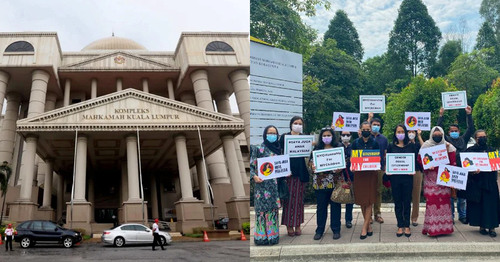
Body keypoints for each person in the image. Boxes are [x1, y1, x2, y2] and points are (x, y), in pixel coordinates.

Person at [437, 106, 474, 224]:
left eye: (455, 131)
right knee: (450, 194)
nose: (454, 132)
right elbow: (439, 130)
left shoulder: (463, 139)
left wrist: (469, 114)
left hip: (462, 170)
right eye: (451, 131)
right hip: (449, 169)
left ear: (459, 132)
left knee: (462, 195)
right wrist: (441, 116)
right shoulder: (446, 140)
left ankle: (462, 215)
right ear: (448, 132)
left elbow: (471, 129)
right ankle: (451, 216)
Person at [419, 126, 456, 236]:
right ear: (431, 135)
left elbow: (453, 163)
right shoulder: (426, 146)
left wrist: (447, 150)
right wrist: (426, 166)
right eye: (435, 135)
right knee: (432, 203)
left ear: (443, 135)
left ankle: (445, 229)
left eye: (439, 135)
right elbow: (420, 160)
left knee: (444, 203)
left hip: (444, 179)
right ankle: (432, 228)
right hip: (431, 179)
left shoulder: (449, 147)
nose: (437, 136)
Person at [462, 130, 500, 237]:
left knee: (491, 205)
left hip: (490, 183)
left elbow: (495, 167)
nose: (482, 138)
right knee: (479, 205)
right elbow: (466, 167)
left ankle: (492, 228)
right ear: (476, 139)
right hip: (477, 182)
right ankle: (482, 226)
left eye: (484, 136)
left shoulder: (491, 150)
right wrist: (473, 171)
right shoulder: (470, 151)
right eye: (480, 137)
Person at [309, 127, 343, 240]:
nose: (326, 138)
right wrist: (312, 166)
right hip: (320, 183)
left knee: (335, 206)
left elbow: (344, 161)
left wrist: (340, 168)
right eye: (324, 136)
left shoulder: (338, 147)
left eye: (329, 135)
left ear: (333, 136)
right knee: (321, 207)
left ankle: (336, 229)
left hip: (335, 182)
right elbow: (310, 163)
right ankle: (320, 229)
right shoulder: (317, 148)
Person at [250, 125, 282, 245]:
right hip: (262, 186)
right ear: (265, 134)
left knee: (272, 211)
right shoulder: (258, 148)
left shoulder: (279, 150)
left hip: (274, 187)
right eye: (269, 133)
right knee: (261, 211)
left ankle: (273, 236)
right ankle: (261, 237)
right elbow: (251, 165)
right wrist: (254, 176)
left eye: (274, 133)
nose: (272, 135)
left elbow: (282, 167)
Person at [387, 124, 419, 237]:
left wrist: (413, 169)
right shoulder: (391, 146)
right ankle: (400, 225)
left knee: (406, 201)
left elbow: (415, 160)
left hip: (407, 178)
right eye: (398, 132)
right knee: (398, 202)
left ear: (405, 133)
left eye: (402, 132)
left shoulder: (411, 146)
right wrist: (388, 170)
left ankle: (407, 225)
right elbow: (388, 160)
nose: (400, 134)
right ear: (395, 134)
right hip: (395, 178)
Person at [279, 116, 309, 236]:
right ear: (291, 124)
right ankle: (289, 225)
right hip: (288, 173)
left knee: (299, 200)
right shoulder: (284, 137)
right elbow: (280, 153)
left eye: (300, 124)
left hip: (300, 173)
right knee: (288, 200)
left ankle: (298, 225)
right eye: (295, 123)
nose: (298, 125)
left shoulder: (304, 138)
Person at [351, 121, 380, 239]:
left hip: (371, 174)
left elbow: (378, 158)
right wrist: (352, 165)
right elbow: (353, 157)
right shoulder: (355, 143)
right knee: (362, 201)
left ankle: (364, 227)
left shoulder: (375, 143)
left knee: (369, 200)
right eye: (364, 129)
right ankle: (368, 224)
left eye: (368, 130)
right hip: (359, 175)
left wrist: (377, 165)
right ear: (360, 130)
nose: (366, 131)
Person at [367, 113, 388, 224]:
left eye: (378, 125)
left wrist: (385, 168)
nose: (376, 126)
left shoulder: (384, 139)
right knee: (368, 191)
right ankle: (368, 215)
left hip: (379, 168)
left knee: (378, 191)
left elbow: (385, 154)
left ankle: (377, 213)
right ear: (370, 125)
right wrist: (369, 117)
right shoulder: (366, 137)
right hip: (367, 168)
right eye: (374, 124)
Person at [408, 129, 425, 227]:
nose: (411, 134)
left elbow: (425, 148)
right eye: (409, 132)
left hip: (417, 171)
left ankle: (414, 218)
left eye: (413, 132)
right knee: (405, 196)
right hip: (405, 172)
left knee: (416, 196)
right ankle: (404, 216)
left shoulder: (418, 144)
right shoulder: (404, 144)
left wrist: (419, 136)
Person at [340, 131, 354, 228]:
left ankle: (348, 219)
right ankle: (337, 220)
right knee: (338, 197)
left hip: (351, 175)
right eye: (343, 135)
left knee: (350, 198)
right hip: (339, 175)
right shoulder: (337, 146)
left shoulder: (353, 146)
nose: (345, 137)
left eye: (348, 135)